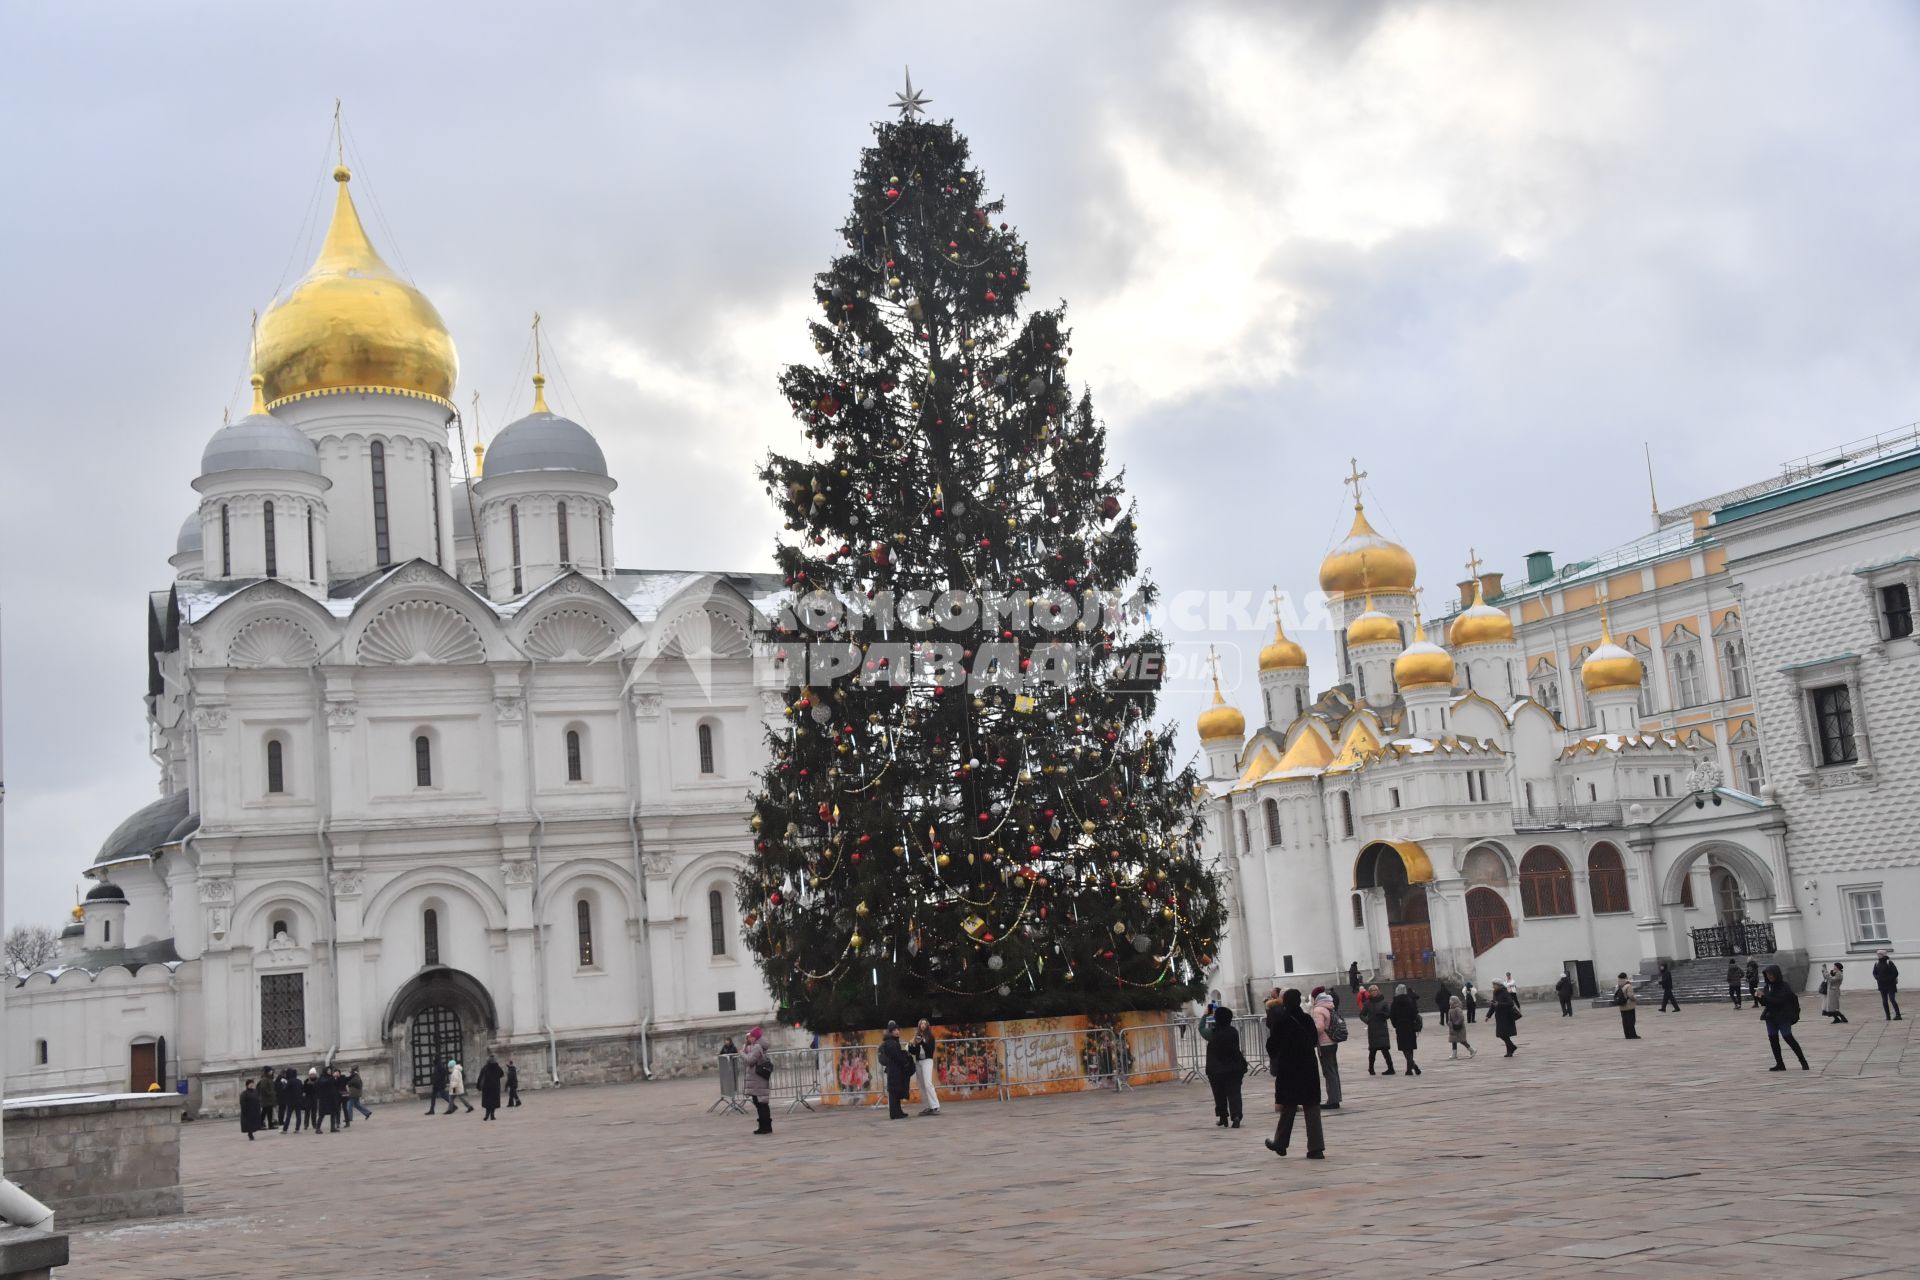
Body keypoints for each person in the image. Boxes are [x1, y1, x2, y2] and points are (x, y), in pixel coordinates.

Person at [1262, 989, 1325, 1160]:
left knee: (1288, 1106)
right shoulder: (1306, 1019)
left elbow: (1272, 1046)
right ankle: (1316, 1147)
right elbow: (1313, 1039)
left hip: (1289, 1066)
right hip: (1307, 1065)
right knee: (1311, 1106)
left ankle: (1281, 1143)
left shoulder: (1281, 1021)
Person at [1203, 1005, 1247, 1128]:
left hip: (1215, 1068)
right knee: (1234, 1093)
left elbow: (1201, 1029)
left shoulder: (1212, 1033)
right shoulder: (1233, 1031)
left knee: (1219, 1094)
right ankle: (1236, 1115)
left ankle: (1223, 1116)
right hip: (1233, 1066)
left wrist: (1205, 1015)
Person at [1760, 964, 1810, 1071]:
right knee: (1773, 1040)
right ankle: (1780, 1064)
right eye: (1767, 975)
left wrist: (1766, 998)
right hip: (1771, 1018)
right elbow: (1765, 1003)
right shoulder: (1767, 986)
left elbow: (1780, 1001)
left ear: (1776, 974)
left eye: (1771, 974)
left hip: (1783, 1017)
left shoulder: (1784, 986)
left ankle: (1803, 1061)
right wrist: (1759, 997)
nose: (1769, 977)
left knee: (1788, 1038)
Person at [1310, 992, 1343, 1110]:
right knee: (1334, 1070)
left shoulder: (1318, 1010)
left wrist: (1310, 1031)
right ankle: (1336, 1097)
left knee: (1328, 1072)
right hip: (1333, 1042)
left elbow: (1319, 1027)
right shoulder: (1331, 1007)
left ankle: (1333, 1100)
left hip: (1324, 1043)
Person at [879, 1021, 916, 1120]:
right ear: (890, 1031)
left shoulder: (893, 1041)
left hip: (895, 1069)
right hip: (894, 1070)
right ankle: (895, 1113)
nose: (897, 1031)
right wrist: (905, 1061)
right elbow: (896, 1056)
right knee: (894, 1091)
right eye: (894, 1030)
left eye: (897, 1029)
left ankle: (898, 1112)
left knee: (896, 1090)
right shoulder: (891, 1042)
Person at [741, 1026, 772, 1135]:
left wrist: (742, 1054)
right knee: (761, 1103)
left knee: (761, 1104)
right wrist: (746, 1047)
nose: (750, 1038)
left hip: (757, 1079)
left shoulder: (757, 1047)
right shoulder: (758, 1046)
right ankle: (766, 1126)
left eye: (751, 1036)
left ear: (755, 1037)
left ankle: (765, 1127)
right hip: (759, 1079)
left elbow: (750, 1060)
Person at [1388, 984, 1423, 1076]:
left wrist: (1395, 1025)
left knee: (1404, 1048)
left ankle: (1411, 1068)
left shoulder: (1394, 1003)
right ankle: (1410, 1068)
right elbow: (1414, 1013)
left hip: (1400, 1027)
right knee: (1410, 1048)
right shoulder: (1410, 1001)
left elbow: (1392, 1016)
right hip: (1410, 1026)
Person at [909, 1018, 941, 1116]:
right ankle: (928, 1106)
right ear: (919, 1026)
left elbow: (930, 1050)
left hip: (927, 1060)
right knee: (921, 1084)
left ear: (927, 1025)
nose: (923, 1025)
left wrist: (922, 1042)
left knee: (928, 1083)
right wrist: (912, 1045)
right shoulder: (917, 1036)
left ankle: (935, 1106)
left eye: (924, 1024)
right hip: (919, 1061)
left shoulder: (930, 1036)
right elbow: (914, 1052)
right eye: (921, 1024)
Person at [1362, 984, 1394, 1075]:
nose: (1374, 992)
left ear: (1378, 991)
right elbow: (1362, 1014)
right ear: (1369, 992)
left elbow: (1388, 1014)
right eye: (1372, 991)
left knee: (1385, 1050)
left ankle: (1391, 1068)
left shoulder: (1383, 1002)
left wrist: (1383, 1014)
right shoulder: (1367, 1003)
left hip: (1382, 1028)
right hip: (1373, 1029)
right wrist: (1367, 1021)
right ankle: (1371, 1068)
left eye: (1375, 990)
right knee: (1372, 1050)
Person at [1489, 982, 1520, 1056]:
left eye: (1494, 985)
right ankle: (1511, 1048)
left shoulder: (1505, 992)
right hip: (1499, 1017)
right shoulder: (1495, 993)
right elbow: (1493, 1005)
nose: (1493, 986)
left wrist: (1499, 1004)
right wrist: (1488, 1015)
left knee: (1504, 1034)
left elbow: (1510, 1003)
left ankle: (1510, 1050)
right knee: (1502, 1034)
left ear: (1499, 985)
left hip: (1506, 1016)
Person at [1873, 951, 1901, 1021]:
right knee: (1884, 1001)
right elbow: (1874, 972)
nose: (1878, 955)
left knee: (1892, 999)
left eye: (1879, 954)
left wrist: (1888, 979)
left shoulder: (1889, 962)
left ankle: (1898, 1015)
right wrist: (1877, 977)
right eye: (1877, 954)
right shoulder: (1877, 963)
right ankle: (1888, 1016)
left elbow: (1895, 973)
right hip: (1881, 985)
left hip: (1890, 985)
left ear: (1883, 955)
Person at [309, 1068, 337, 1134]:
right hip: (324, 1099)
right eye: (328, 1070)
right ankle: (317, 1128)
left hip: (331, 1099)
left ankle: (332, 1127)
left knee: (333, 1112)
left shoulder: (330, 1077)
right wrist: (333, 1077)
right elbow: (324, 1082)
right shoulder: (322, 1078)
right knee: (322, 1114)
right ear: (325, 1071)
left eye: (330, 1070)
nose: (330, 1071)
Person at [478, 1055, 505, 1121]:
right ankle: (492, 1115)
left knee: (488, 1102)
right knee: (494, 1102)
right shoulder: (497, 1067)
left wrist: (478, 1086)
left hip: (487, 1088)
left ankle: (487, 1115)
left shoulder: (485, 1067)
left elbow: (480, 1077)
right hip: (495, 1087)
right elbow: (502, 1074)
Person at [1614, 972, 1640, 1039]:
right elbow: (1630, 995)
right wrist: (1635, 998)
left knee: (1624, 1021)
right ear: (1625, 977)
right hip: (1629, 1006)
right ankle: (1633, 1035)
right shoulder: (1628, 985)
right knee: (1631, 1021)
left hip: (1621, 1006)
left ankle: (1627, 1035)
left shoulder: (1617, 986)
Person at [277, 1068, 299, 1133]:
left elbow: (285, 1089)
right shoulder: (282, 1080)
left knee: (287, 1114)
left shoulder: (287, 1080)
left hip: (287, 1099)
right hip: (286, 1098)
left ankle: (284, 1128)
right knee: (284, 1112)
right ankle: (295, 1128)